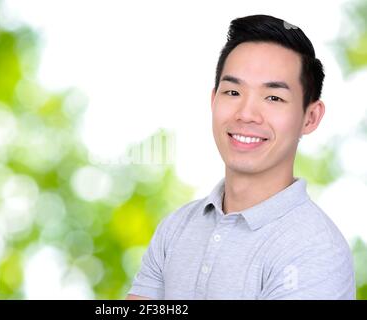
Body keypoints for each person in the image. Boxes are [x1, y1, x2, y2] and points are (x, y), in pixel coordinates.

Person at [126, 14, 355, 300]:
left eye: (274, 98)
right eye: (233, 92)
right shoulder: (176, 228)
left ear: (310, 117)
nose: (246, 114)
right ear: (213, 101)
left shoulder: (316, 249)